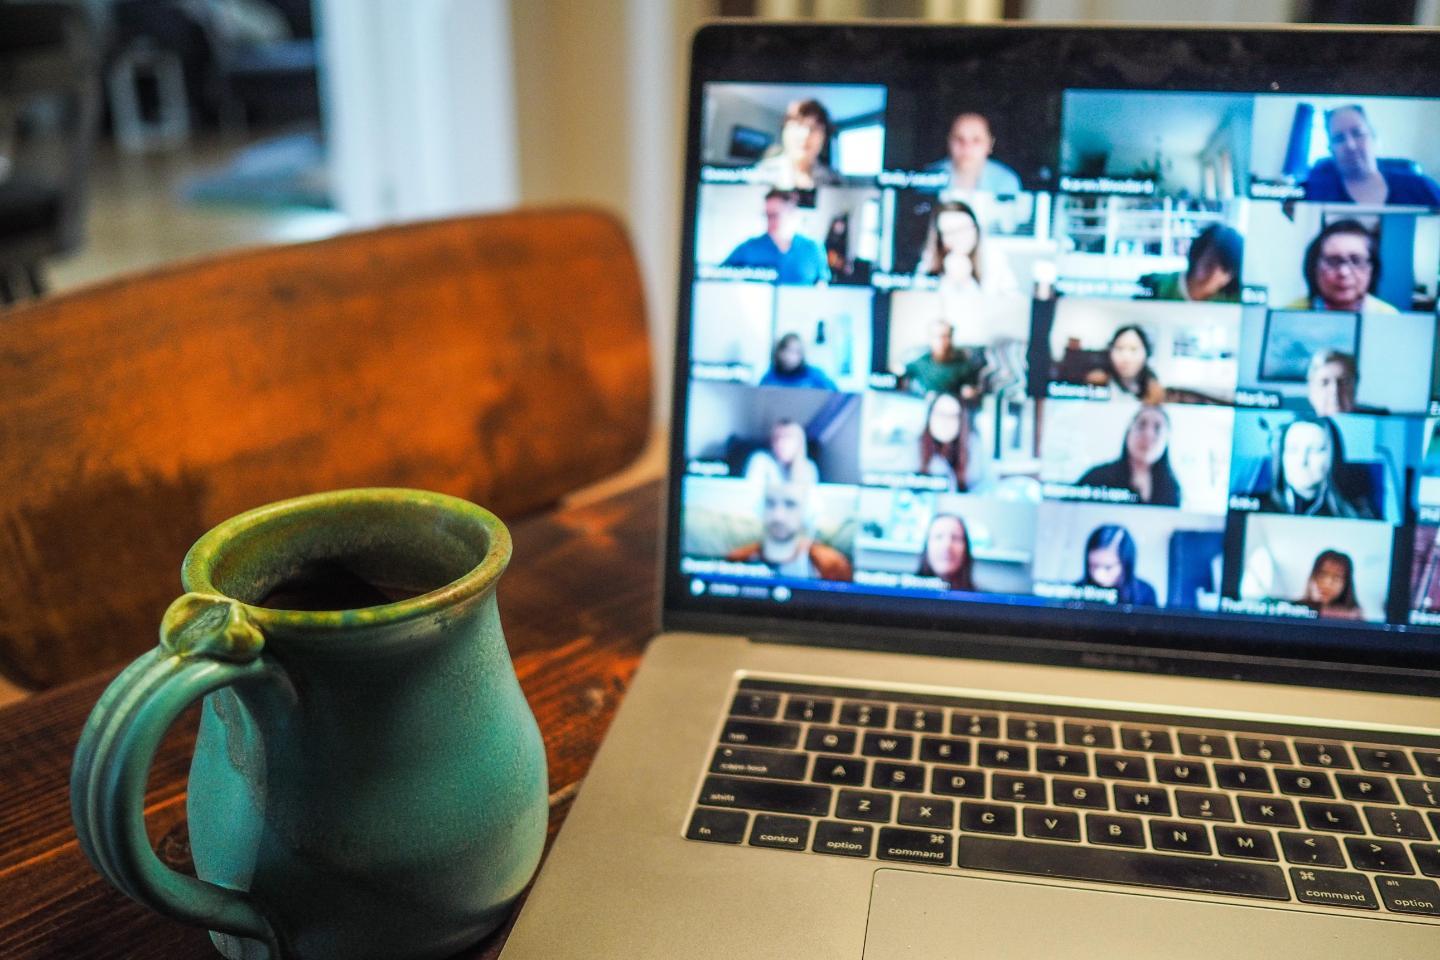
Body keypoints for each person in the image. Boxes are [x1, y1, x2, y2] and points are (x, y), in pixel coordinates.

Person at [1303, 104, 1440, 206]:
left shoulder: (1420, 187)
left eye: (1358, 133)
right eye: (1339, 138)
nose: (1350, 145)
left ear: (1373, 138)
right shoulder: (1314, 193)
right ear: (1331, 149)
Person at [725, 480, 852, 580]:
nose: (778, 515)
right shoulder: (738, 559)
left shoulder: (832, 566)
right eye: (770, 503)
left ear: (807, 512)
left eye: (790, 504)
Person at [1256, 416, 1377, 519]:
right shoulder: (1255, 505)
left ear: (1333, 457)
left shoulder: (1358, 514)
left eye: (1315, 450)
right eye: (1293, 450)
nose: (1302, 461)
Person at [1076, 405, 1182, 507]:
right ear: (1129, 432)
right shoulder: (1096, 477)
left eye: (1157, 428)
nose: (1148, 435)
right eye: (1141, 425)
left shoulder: (1172, 489)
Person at [722, 189, 831, 285]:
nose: (769, 221)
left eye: (774, 215)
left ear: (791, 212)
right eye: (767, 215)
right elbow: (720, 277)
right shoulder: (748, 248)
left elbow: (821, 286)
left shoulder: (813, 248)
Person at [1286, 219, 1397, 314]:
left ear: (1372, 269)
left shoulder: (1388, 317)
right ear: (1314, 267)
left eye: (1356, 260)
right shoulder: (1290, 313)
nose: (1344, 272)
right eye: (1333, 261)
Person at [1138, 224, 1245, 303]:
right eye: (1210, 263)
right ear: (1197, 255)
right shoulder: (1157, 286)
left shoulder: (1234, 301)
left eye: (1224, 269)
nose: (1214, 273)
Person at [750, 99, 841, 191]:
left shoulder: (835, 181)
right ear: (784, 131)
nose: (805, 134)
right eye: (799, 125)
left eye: (814, 128)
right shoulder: (759, 175)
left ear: (824, 137)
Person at [924, 112, 1022, 195]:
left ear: (989, 144)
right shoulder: (927, 178)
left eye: (976, 140)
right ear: (949, 142)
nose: (966, 147)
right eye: (959, 139)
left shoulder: (1005, 181)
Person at [901, 319, 985, 397]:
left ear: (951, 338)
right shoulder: (920, 363)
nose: (941, 341)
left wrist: (969, 392)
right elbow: (900, 371)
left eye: (946, 336)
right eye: (937, 336)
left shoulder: (964, 366)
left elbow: (973, 388)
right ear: (930, 339)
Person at [1078, 525, 1158, 607]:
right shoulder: (1076, 591)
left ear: (1125, 564)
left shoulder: (1145, 593)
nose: (1098, 575)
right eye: (1093, 565)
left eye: (1108, 567)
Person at [1083, 325, 1166, 404]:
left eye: (1133, 349)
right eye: (1119, 348)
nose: (1126, 357)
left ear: (1146, 353)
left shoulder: (1153, 389)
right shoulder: (1097, 380)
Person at [918, 392, 971, 492]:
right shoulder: (913, 450)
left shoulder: (972, 452)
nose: (945, 422)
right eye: (940, 414)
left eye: (952, 416)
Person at [743, 419, 819, 488]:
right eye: (776, 438)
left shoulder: (809, 467)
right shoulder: (760, 460)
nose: (780, 443)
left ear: (799, 442)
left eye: (787, 437)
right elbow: (752, 493)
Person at [1298, 549, 1365, 620]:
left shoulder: (1354, 617)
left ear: (1346, 584)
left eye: (1337, 577)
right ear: (1313, 576)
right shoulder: (1295, 610)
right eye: (1322, 574)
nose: (1327, 584)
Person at [916, 514, 977, 591]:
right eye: (939, 536)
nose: (947, 545)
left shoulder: (984, 599)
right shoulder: (903, 592)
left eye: (955, 537)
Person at [760, 333, 836, 390]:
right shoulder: (769, 377)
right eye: (788, 351)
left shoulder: (815, 375)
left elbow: (836, 395)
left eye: (796, 352)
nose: (790, 356)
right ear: (779, 353)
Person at [1305, 350, 1358, 416]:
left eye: (1344, 382)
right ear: (1311, 392)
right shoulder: (1296, 425)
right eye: (1325, 382)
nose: (1335, 390)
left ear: (1354, 388)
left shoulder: (1373, 424)